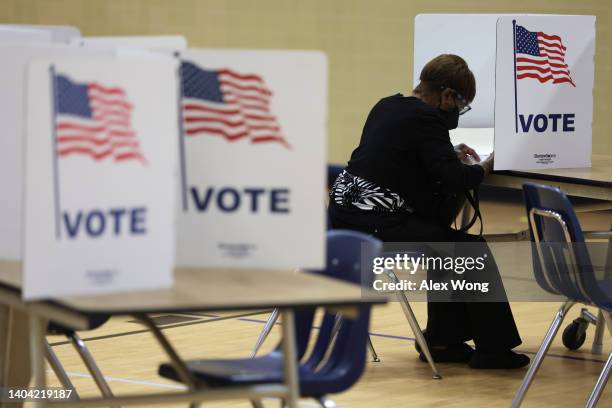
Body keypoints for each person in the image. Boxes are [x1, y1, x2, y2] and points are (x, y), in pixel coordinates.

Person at [328, 54, 529, 369]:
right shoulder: (427, 118)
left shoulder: (388, 105)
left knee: (447, 243)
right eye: (461, 106)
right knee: (468, 249)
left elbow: (403, 158)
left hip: (343, 218)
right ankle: (493, 348)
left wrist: (446, 154)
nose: (458, 114)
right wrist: (488, 164)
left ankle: (443, 339)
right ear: (447, 95)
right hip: (372, 224)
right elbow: (456, 179)